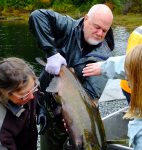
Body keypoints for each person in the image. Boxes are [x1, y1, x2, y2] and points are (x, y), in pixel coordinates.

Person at [29, 4, 114, 150]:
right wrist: (51, 52)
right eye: (96, 27)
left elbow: (89, 97)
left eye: (104, 30)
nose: (100, 33)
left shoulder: (104, 60)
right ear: (86, 19)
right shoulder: (69, 26)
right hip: (47, 101)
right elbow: (37, 16)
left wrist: (68, 116)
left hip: (69, 111)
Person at [0, 57, 46, 150]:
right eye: (23, 95)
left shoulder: (29, 84)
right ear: (5, 93)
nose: (32, 97)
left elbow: (38, 92)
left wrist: (41, 109)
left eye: (33, 89)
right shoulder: (0, 128)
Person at [83, 26, 142, 103]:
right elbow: (134, 63)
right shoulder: (138, 33)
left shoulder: (138, 31)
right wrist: (104, 67)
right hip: (132, 86)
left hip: (130, 85)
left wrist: (104, 67)